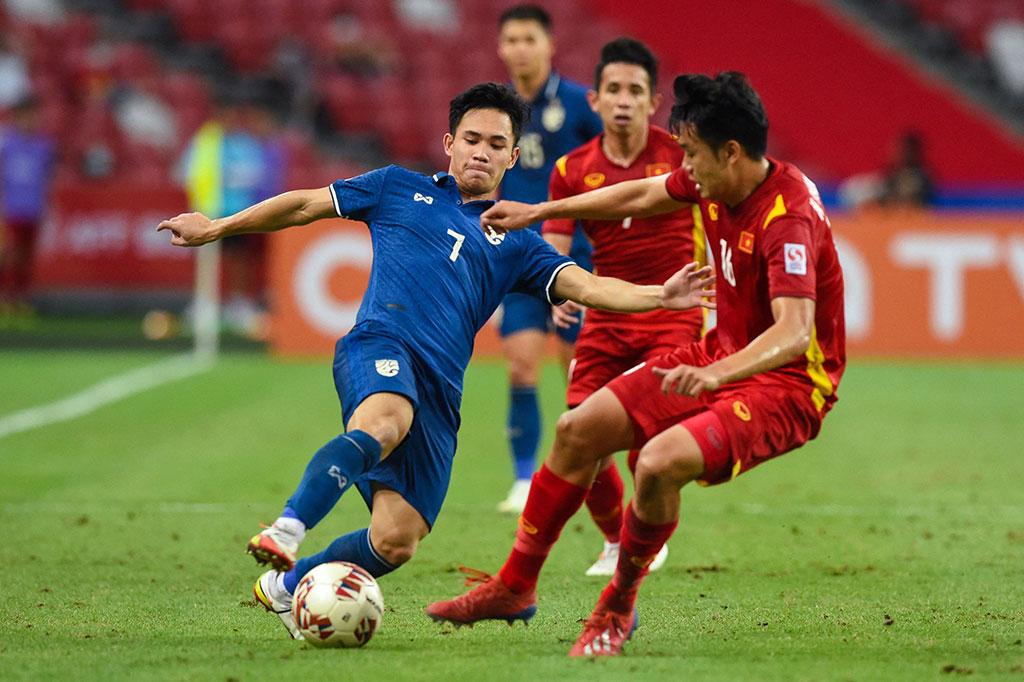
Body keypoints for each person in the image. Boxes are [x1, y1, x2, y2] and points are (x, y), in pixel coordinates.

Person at [156, 82, 714, 641]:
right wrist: (218, 227)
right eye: (471, 138)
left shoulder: (518, 239)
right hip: (381, 343)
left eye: (497, 144)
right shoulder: (396, 187)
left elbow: (587, 287)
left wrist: (660, 296)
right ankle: (287, 528)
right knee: (384, 422)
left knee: (396, 541)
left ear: (513, 157)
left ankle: (286, 586)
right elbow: (304, 204)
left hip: (442, 390)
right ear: (449, 142)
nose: (481, 151)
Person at [426, 72, 846, 658]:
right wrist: (543, 209)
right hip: (719, 356)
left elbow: (796, 333)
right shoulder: (717, 180)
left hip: (788, 383)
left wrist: (717, 375)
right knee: (578, 431)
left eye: (692, 155)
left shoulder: (786, 216)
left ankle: (617, 606)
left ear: (730, 151)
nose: (685, 168)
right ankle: (514, 586)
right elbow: (641, 195)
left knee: (656, 463)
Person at [541, 37, 705, 576]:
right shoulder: (571, 168)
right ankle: (619, 541)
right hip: (608, 312)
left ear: (653, 100)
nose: (623, 100)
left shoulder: (681, 154)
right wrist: (556, 290)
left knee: (651, 435)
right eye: (613, 89)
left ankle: (646, 536)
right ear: (595, 100)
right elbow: (555, 243)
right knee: (578, 431)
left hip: (674, 308)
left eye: (635, 90)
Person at [493, 5, 604, 514]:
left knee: (578, 372)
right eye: (511, 39)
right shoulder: (496, 111)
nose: (519, 48)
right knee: (520, 365)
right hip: (516, 257)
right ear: (500, 47)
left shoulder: (580, 104)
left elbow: (611, 172)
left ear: (549, 44)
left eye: (528, 39)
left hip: (575, 256)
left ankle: (587, 480)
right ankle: (522, 479)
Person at [0, 95, 56, 320]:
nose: (30, 120)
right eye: (25, 115)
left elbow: (47, 180)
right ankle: (5, 300)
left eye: (33, 115)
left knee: (26, 258)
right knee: (9, 256)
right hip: (10, 211)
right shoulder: (5, 144)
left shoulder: (43, 146)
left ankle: (21, 302)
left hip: (33, 210)